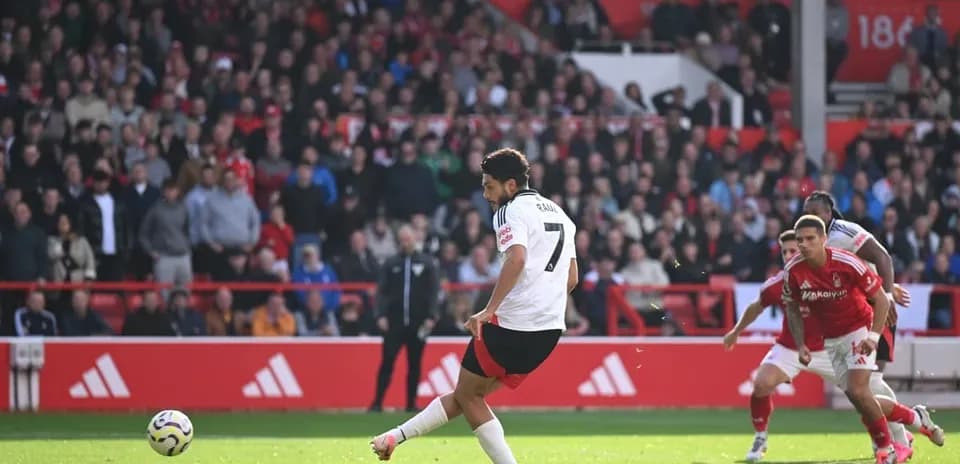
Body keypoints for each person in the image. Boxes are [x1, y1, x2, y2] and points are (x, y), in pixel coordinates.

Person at [371, 148, 578, 464]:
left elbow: (517, 259)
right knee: (468, 396)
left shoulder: (508, 211)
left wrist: (489, 309)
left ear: (510, 186)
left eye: (488, 186)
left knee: (469, 395)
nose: (485, 194)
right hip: (548, 330)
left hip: (512, 324)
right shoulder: (560, 214)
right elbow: (572, 277)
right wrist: (543, 300)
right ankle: (393, 438)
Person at [723, 230, 913, 462]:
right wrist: (736, 331)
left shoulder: (832, 269)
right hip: (792, 348)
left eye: (794, 249)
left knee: (864, 396)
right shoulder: (783, 281)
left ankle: (908, 423)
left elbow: (863, 283)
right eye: (785, 252)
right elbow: (757, 305)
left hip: (829, 348)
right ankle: (760, 436)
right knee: (762, 384)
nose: (790, 254)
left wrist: (889, 291)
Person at [783, 216, 944, 463]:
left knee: (860, 390)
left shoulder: (846, 261)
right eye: (800, 240)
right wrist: (801, 342)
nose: (804, 244)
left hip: (860, 328)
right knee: (862, 399)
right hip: (832, 339)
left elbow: (880, 299)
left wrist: (873, 336)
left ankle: (886, 449)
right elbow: (792, 307)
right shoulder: (793, 270)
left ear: (824, 239)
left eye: (810, 239)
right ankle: (915, 418)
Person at [803, 191, 913, 451]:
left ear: (828, 214)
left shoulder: (844, 233)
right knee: (865, 385)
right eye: (806, 213)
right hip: (851, 313)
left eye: (815, 213)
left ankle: (895, 438)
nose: (810, 217)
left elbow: (882, 257)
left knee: (870, 382)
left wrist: (886, 293)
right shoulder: (813, 240)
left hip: (875, 309)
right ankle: (899, 434)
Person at [369, 224, 441, 413]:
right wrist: (381, 315)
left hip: (418, 323)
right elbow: (381, 292)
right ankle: (377, 402)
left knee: (415, 364)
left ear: (414, 239)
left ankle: (411, 403)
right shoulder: (391, 263)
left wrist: (432, 316)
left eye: (408, 239)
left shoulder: (426, 263)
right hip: (394, 323)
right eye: (402, 240)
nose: (405, 243)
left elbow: (433, 292)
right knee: (387, 362)